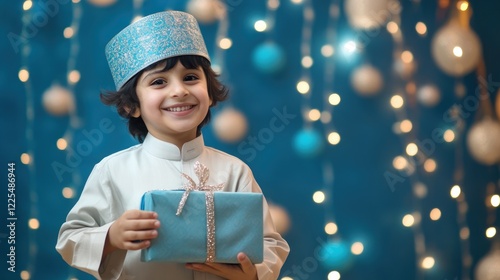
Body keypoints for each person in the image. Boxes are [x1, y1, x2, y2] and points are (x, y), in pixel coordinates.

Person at [55, 10, 289, 280]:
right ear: (132, 105)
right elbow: (70, 240)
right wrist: (112, 236)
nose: (179, 90)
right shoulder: (113, 170)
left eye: (190, 77)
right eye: (158, 82)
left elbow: (270, 244)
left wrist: (252, 273)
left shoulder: (235, 170)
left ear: (210, 94)